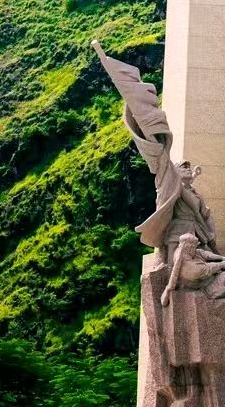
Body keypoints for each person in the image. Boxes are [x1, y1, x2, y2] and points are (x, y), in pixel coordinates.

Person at [93, 43, 218, 266]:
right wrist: (141, 114)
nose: (188, 169)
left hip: (197, 235)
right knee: (180, 271)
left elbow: (198, 207)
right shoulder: (167, 175)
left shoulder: (191, 191)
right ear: (174, 170)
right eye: (184, 167)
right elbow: (160, 157)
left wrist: (192, 179)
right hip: (177, 235)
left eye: (189, 167)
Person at [161, 233, 225, 305]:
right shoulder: (188, 266)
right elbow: (206, 269)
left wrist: (221, 258)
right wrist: (222, 264)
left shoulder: (185, 252)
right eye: (194, 246)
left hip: (208, 281)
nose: (195, 248)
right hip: (206, 290)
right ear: (189, 247)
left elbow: (203, 253)